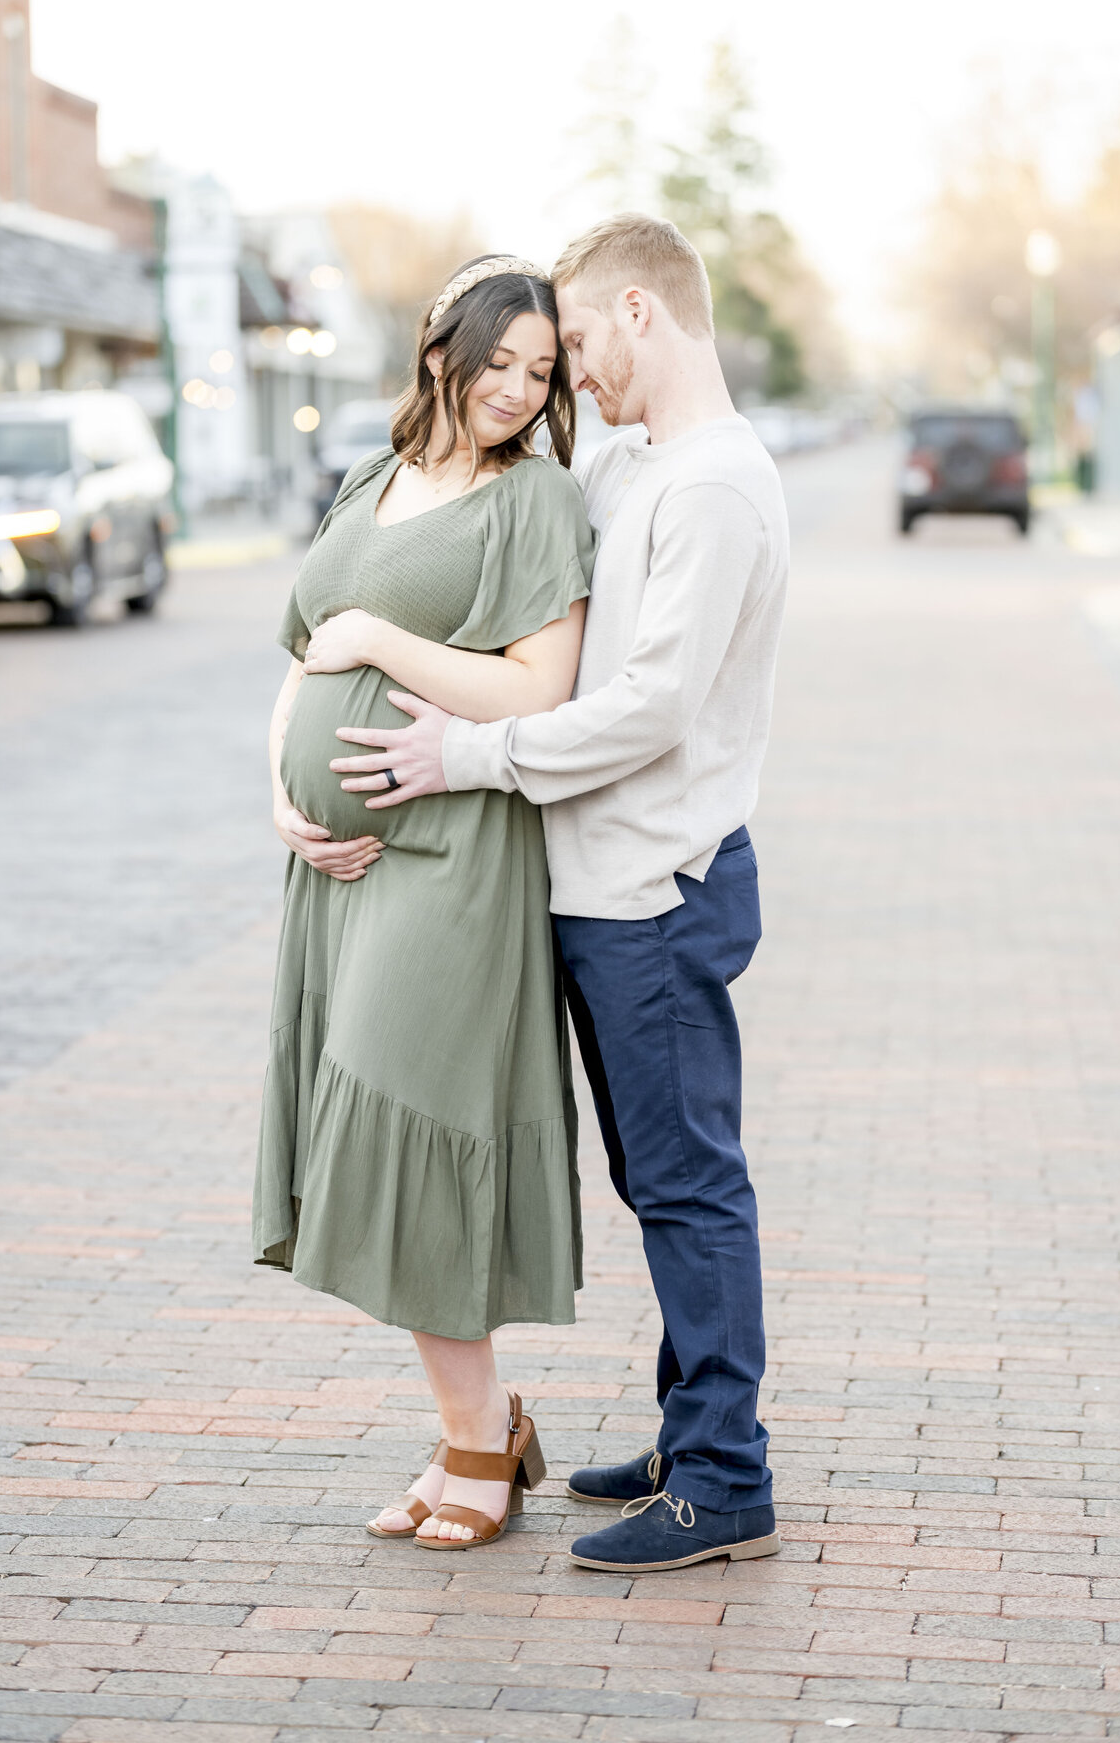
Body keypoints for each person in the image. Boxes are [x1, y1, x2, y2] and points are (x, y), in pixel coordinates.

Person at [324, 214, 790, 1574]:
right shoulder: (645, 470)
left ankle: (723, 1478)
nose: (573, 374)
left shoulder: (709, 486)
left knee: (691, 1187)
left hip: (653, 889)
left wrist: (467, 755)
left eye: (579, 341)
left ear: (642, 314)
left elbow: (647, 709)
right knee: (662, 1182)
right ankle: (684, 1430)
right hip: (607, 886)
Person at [252, 255, 597, 1551]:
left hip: (454, 862)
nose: (516, 390)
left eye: (542, 373)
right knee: (376, 1139)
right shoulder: (368, 481)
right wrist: (278, 792)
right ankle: (478, 1432)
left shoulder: (539, 503)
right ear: (441, 349)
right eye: (499, 361)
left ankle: (479, 1445)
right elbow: (300, 654)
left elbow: (539, 691)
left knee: (414, 1135)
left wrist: (379, 644)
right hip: (337, 870)